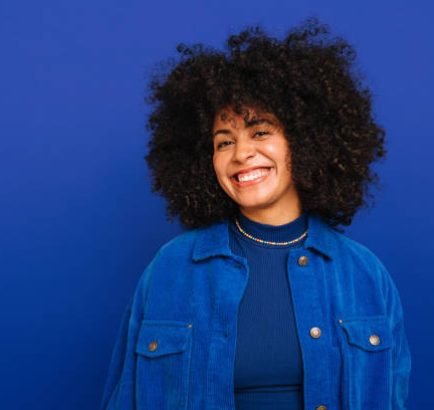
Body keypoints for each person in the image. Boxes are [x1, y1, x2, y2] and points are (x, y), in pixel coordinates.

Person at [101, 18, 411, 410]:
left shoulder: (365, 275)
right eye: (224, 141)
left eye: (260, 132)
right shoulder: (171, 269)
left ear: (304, 141)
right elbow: (123, 398)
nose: (241, 154)